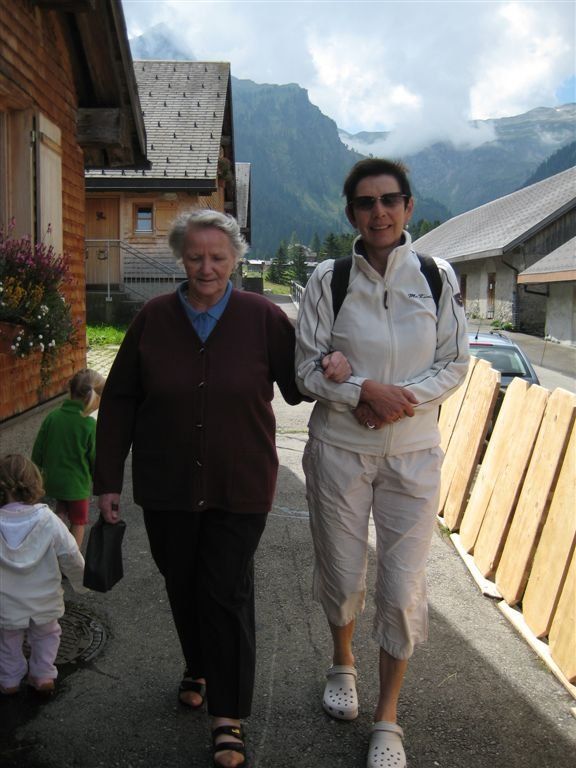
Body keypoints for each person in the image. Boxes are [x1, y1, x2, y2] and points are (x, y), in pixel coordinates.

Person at [92, 209, 349, 768]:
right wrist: (107, 482)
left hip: (241, 484)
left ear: (235, 259)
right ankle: (198, 665)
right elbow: (119, 401)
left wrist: (330, 360)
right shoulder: (153, 318)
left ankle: (227, 715)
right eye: (194, 257)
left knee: (224, 590)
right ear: (180, 259)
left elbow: (299, 384)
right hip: (166, 484)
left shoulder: (262, 317)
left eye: (217, 257)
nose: (206, 268)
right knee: (182, 584)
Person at [295, 158, 469, 768]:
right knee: (343, 576)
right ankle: (342, 661)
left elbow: (455, 362)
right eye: (365, 203)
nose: (379, 212)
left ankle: (387, 717)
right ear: (351, 214)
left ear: (408, 207)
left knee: (401, 588)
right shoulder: (329, 279)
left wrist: (396, 400)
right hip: (341, 452)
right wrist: (361, 390)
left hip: (413, 456)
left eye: (390, 200)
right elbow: (306, 368)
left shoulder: (437, 276)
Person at [0, 454, 87, 697]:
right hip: (44, 598)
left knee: (7, 639)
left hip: (6, 602)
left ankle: (9, 679)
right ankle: (42, 675)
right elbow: (70, 553)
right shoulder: (48, 519)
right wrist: (82, 582)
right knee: (47, 635)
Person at [32, 368, 106, 548]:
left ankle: (51, 552)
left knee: (58, 516)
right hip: (77, 487)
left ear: (70, 390)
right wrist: (101, 483)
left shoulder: (52, 417)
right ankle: (73, 558)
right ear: (95, 399)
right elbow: (95, 459)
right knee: (78, 521)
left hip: (51, 482)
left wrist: (35, 475)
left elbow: (38, 451)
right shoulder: (89, 425)